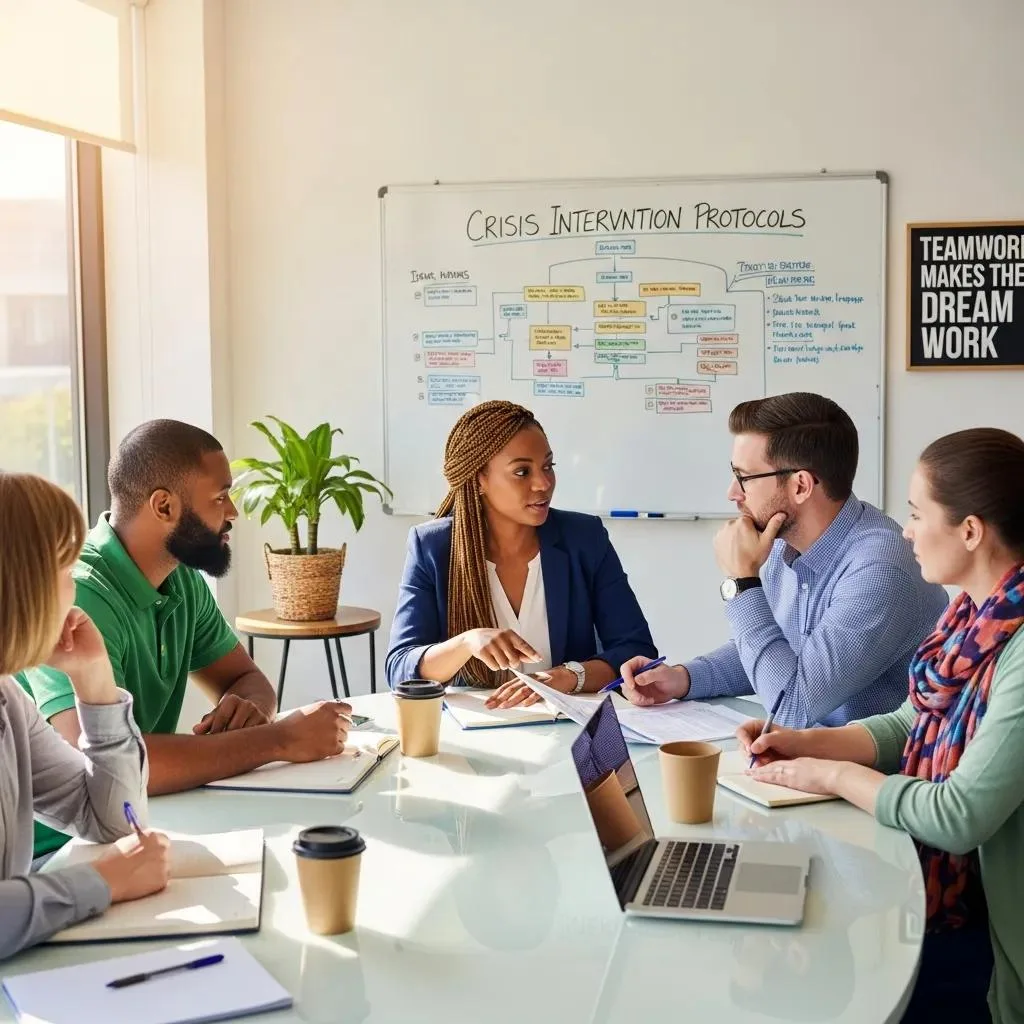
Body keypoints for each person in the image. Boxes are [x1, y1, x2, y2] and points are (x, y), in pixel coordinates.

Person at [741, 427, 1024, 1023]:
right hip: (962, 903)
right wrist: (802, 743)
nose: (907, 530)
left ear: (970, 531)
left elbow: (958, 814)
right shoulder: (973, 612)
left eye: (919, 513)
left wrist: (835, 776)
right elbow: (911, 719)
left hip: (1001, 933)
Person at [19, 420, 352, 860]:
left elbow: (245, 678)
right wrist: (278, 741)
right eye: (219, 496)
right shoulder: (79, 596)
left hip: (137, 823)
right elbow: (99, 765)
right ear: (163, 507)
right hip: (54, 853)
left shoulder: (181, 579)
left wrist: (249, 711)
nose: (232, 510)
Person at [619, 392, 947, 727]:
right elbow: (776, 656)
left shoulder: (879, 570)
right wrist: (683, 678)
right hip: (813, 760)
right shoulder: (782, 543)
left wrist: (741, 582)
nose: (732, 492)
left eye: (744, 477)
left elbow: (792, 708)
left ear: (801, 486)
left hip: (876, 772)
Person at [386, 399, 657, 706]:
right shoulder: (433, 547)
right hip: (471, 728)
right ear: (479, 480)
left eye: (547, 466)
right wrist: (466, 642)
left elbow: (637, 651)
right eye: (522, 472)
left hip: (566, 724)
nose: (543, 483)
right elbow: (400, 670)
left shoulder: (584, 538)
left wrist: (569, 676)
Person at [0, 473, 170, 959]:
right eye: (66, 571)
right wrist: (101, 881)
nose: (73, 592)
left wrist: (94, 680)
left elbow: (110, 819)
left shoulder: (8, 698)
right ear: (23, 583)